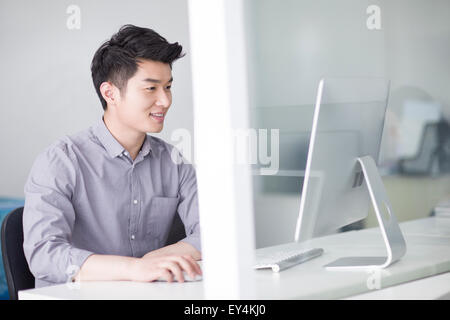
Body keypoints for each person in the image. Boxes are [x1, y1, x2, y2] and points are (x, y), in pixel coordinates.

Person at [23, 24, 202, 288]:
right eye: (151, 89)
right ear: (110, 93)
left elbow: (214, 232)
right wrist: (134, 269)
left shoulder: (173, 162)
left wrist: (156, 259)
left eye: (168, 87)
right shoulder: (60, 161)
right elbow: (44, 255)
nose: (165, 101)